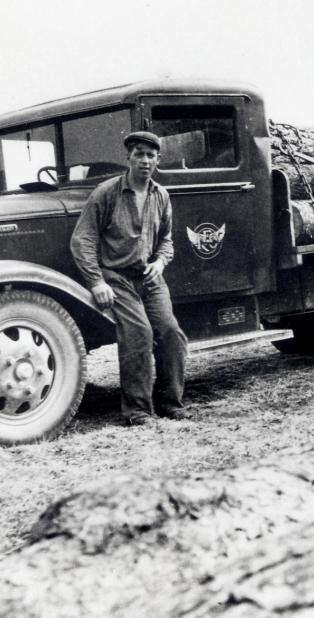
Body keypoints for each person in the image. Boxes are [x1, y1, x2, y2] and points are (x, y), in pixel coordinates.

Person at [70, 131, 189, 425]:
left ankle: (171, 404)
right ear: (128, 158)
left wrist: (160, 262)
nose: (145, 161)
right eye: (139, 154)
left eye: (151, 155)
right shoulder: (106, 193)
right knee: (139, 335)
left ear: (158, 160)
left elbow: (167, 240)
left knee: (171, 334)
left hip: (149, 277)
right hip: (116, 278)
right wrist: (97, 281)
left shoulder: (160, 195)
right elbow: (81, 239)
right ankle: (137, 410)